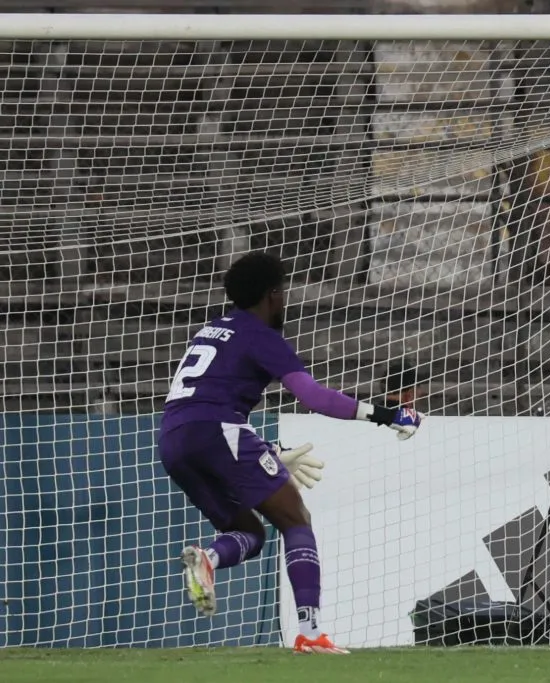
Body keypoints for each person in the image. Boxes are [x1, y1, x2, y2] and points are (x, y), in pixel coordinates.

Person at [158, 251, 423, 654]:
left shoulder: (211, 329)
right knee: (296, 519)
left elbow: (204, 398)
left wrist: (266, 450)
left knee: (249, 534)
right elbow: (313, 397)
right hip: (218, 430)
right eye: (282, 292)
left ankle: (208, 559)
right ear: (273, 295)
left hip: (173, 440)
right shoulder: (262, 336)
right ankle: (310, 633)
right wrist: (385, 415)